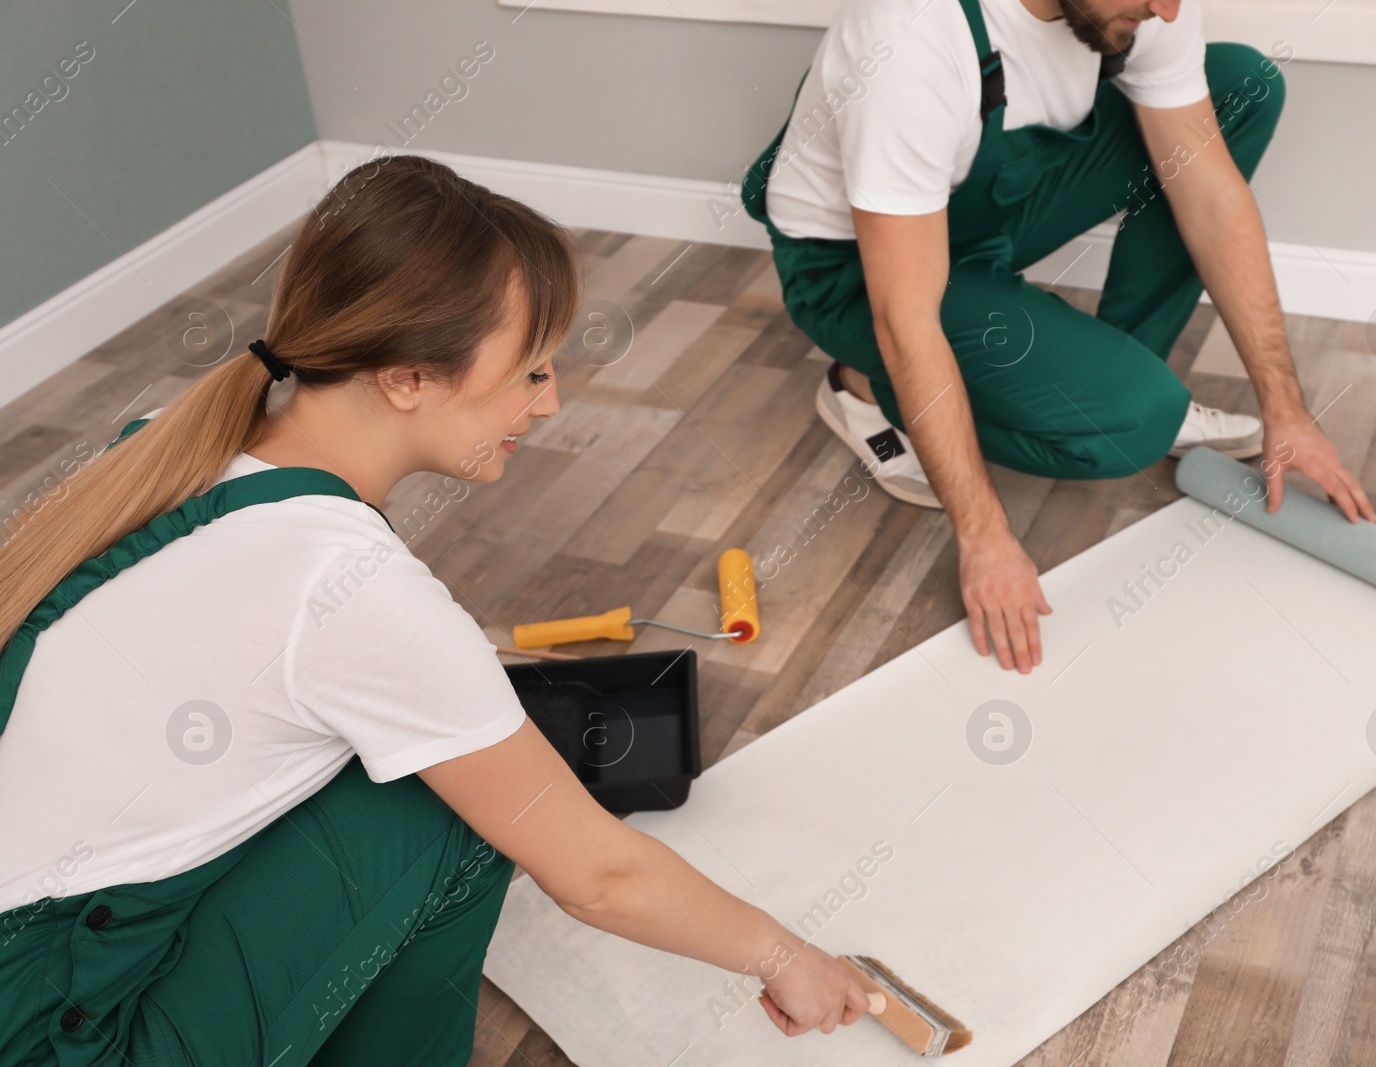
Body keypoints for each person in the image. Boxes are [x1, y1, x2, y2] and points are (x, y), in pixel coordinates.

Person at [0, 155, 867, 1066]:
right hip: (56, 1037)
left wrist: (456, 679)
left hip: (35, 949)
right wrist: (786, 954)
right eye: (530, 371)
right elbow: (599, 876)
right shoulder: (348, 584)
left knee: (433, 750)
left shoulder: (166, 451)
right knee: (454, 812)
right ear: (408, 378)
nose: (551, 399)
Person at [740, 0, 1376, 676]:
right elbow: (906, 320)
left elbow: (1211, 197)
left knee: (1238, 87)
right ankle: (865, 386)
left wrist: (1286, 405)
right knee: (1137, 423)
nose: (1167, 8)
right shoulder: (912, 34)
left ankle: (1113, 366)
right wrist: (984, 535)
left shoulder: (1140, 7)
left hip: (978, 214)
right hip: (854, 272)